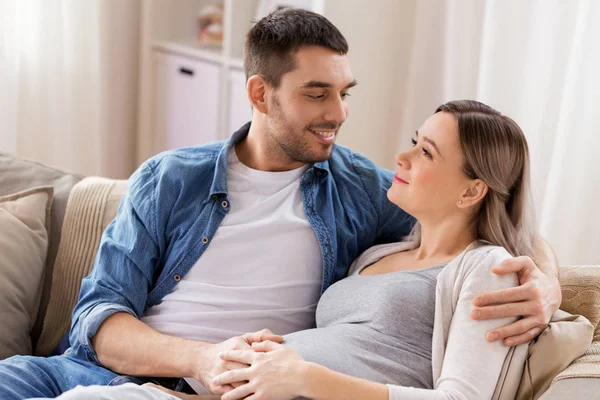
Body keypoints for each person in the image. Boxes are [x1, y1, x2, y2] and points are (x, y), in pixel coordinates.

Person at [0, 9, 560, 400]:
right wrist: (201, 357)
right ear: (260, 94)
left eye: (344, 92)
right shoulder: (170, 179)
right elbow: (98, 321)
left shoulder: (363, 189)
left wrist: (546, 282)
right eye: (316, 94)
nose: (338, 113)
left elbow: (488, 217)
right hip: (89, 372)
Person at [207, 100, 543, 400]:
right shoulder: (379, 254)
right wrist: (271, 352)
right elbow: (352, 347)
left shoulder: (488, 268)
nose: (401, 157)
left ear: (471, 192)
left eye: (426, 152)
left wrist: (304, 377)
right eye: (415, 143)